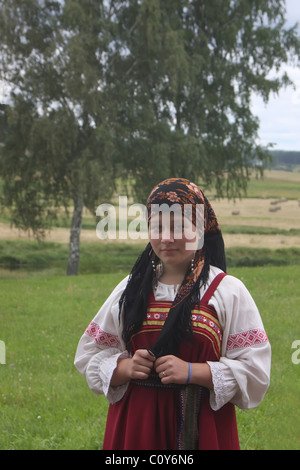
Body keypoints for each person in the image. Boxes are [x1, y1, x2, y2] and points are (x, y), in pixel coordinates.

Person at [74, 178, 271, 450]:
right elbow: (90, 355)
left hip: (202, 427)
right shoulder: (130, 289)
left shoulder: (227, 291)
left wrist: (192, 371)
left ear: (200, 230)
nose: (166, 238)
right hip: (136, 428)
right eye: (157, 227)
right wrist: (124, 368)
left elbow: (255, 372)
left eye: (178, 227)